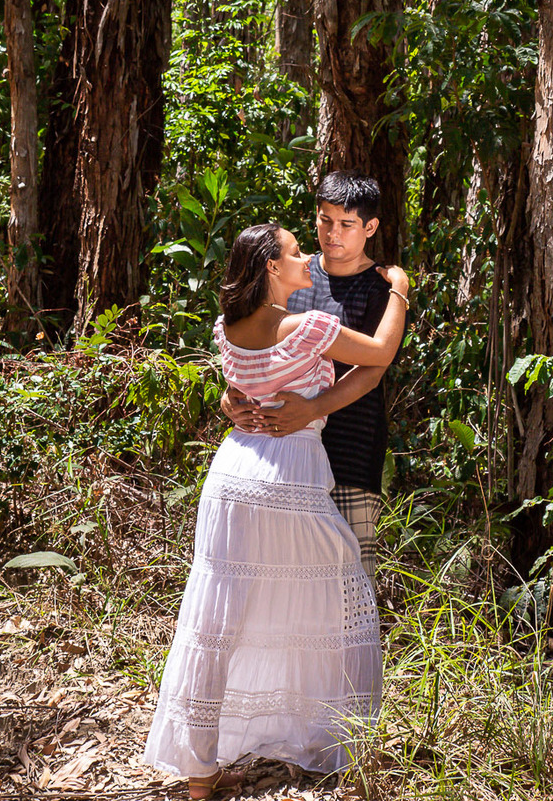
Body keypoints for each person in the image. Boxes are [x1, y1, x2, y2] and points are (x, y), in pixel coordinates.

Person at [144, 222, 411, 798]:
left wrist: (231, 400)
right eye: (295, 252)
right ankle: (341, 743)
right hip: (289, 471)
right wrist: (400, 289)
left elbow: (239, 387)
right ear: (271, 267)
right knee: (342, 598)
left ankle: (200, 772)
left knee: (217, 619)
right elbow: (381, 353)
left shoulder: (227, 327)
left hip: (231, 472)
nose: (307, 257)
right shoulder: (306, 326)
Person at [222, 171, 403, 588]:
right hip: (280, 454)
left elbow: (375, 367)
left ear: (370, 227)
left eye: (347, 224)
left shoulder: (381, 288)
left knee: (350, 581)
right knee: (283, 580)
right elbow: (256, 348)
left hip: (350, 447)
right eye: (325, 220)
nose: (332, 234)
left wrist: (314, 408)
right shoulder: (294, 277)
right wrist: (231, 394)